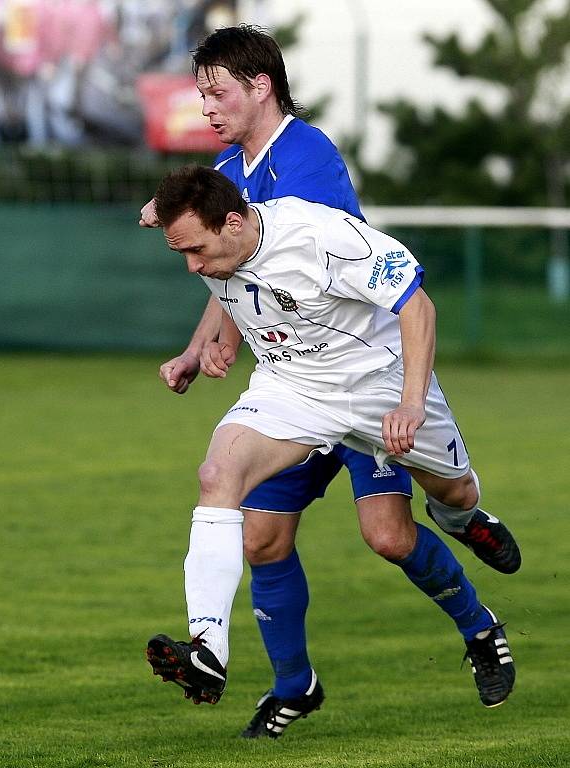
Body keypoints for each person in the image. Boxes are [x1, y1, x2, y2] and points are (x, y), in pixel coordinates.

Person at [141, 26, 519, 738]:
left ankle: (469, 556)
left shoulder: (304, 168)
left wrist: (408, 398)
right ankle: (235, 661)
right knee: (248, 519)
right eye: (201, 95)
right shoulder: (229, 171)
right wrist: (203, 346)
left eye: (217, 92)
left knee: (394, 531)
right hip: (295, 384)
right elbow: (229, 273)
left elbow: (333, 278)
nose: (207, 107)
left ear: (261, 87)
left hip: (367, 374)